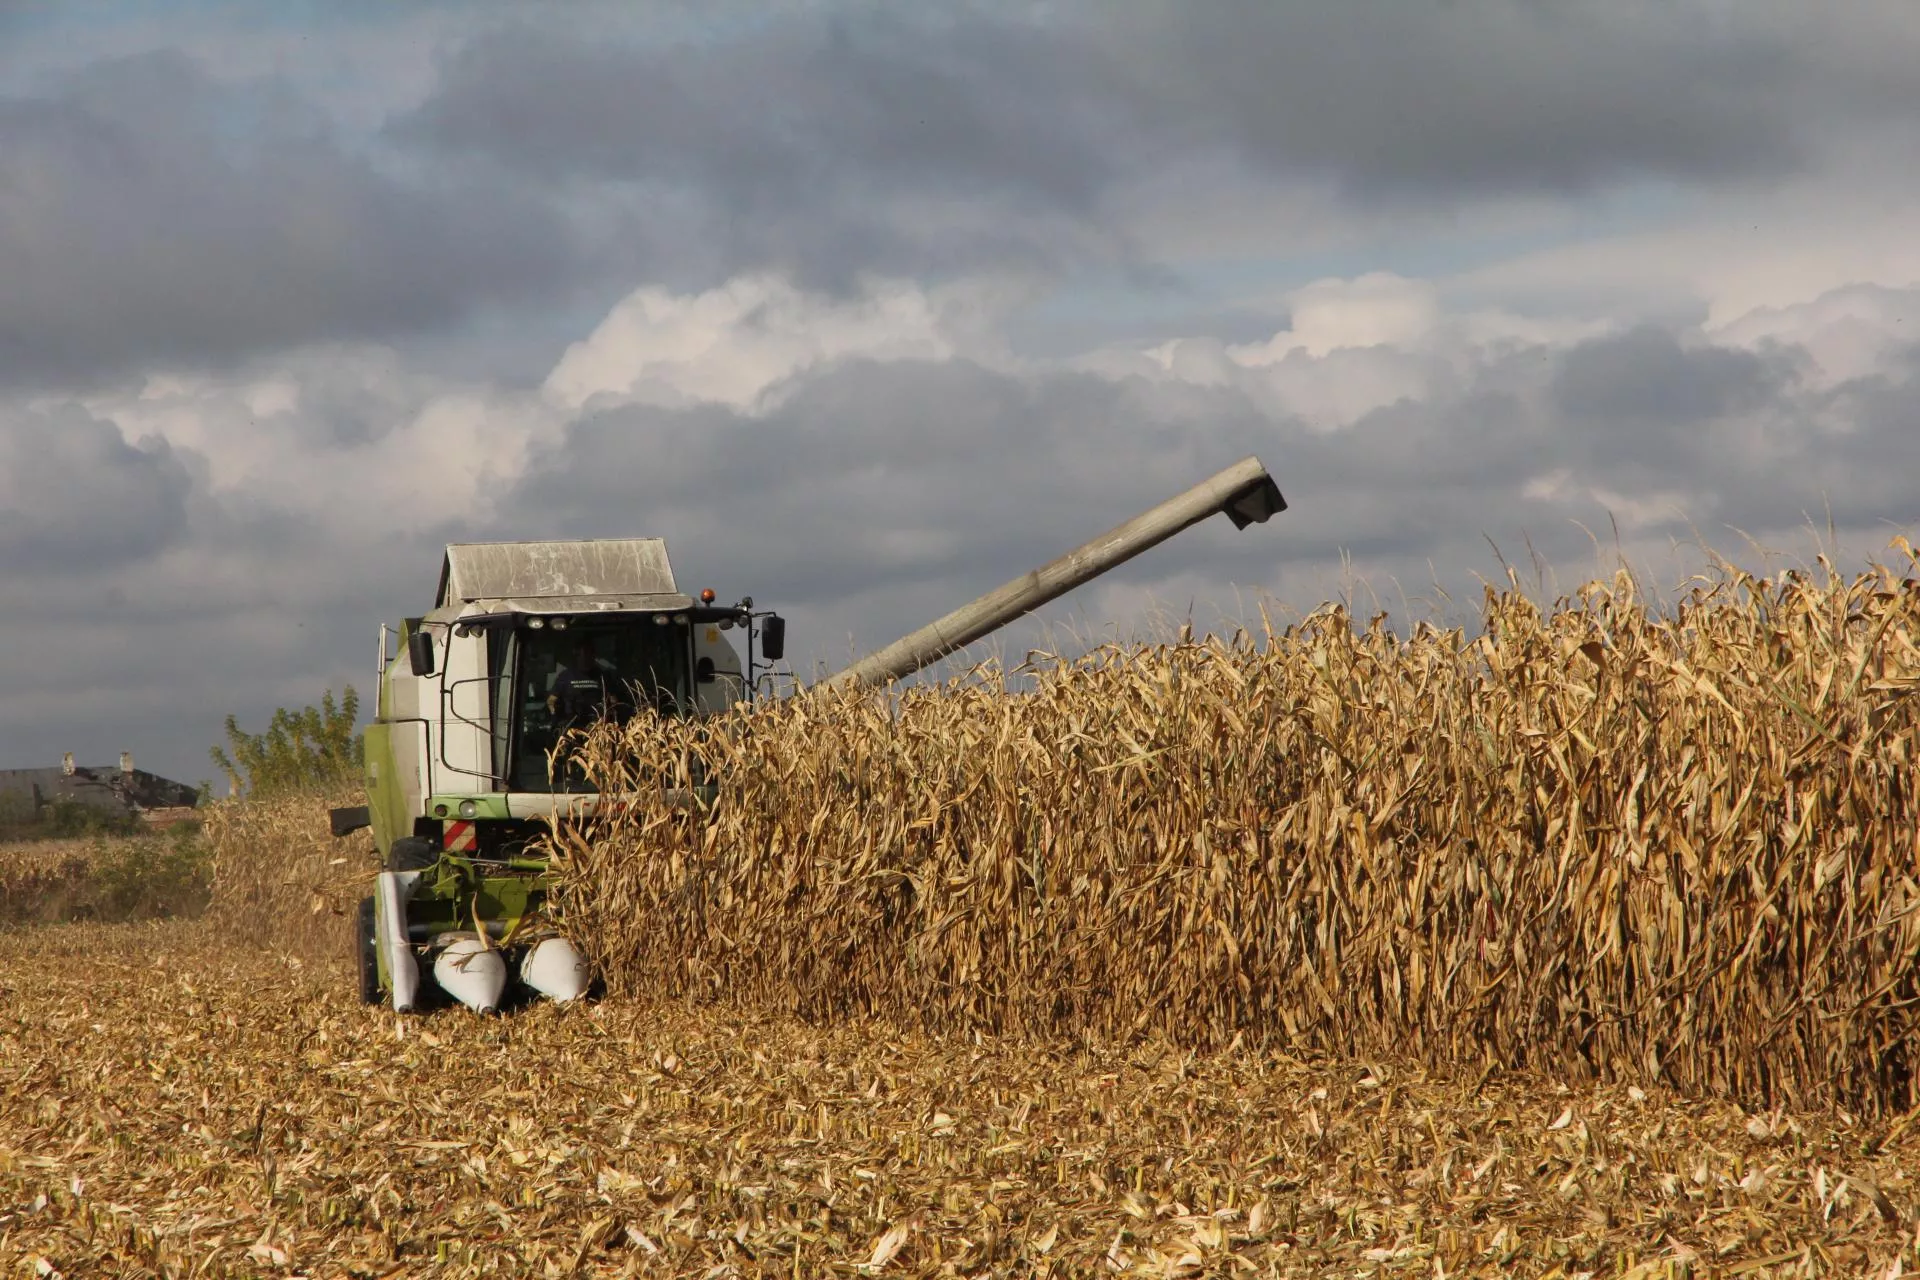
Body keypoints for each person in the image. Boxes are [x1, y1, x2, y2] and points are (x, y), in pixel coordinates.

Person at [546, 638, 619, 725]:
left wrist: (612, 717)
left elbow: (613, 700)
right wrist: (556, 717)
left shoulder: (603, 676)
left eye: (590, 653)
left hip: (598, 726)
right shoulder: (566, 676)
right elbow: (551, 700)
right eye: (584, 653)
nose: (587, 657)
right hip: (572, 726)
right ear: (577, 655)